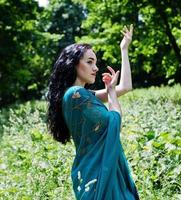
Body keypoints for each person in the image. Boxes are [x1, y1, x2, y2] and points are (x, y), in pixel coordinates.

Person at [47, 24, 139, 200]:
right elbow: (115, 122)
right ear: (73, 64)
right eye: (89, 62)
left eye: (95, 63)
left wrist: (124, 49)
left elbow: (126, 86)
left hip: (97, 170)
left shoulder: (83, 95)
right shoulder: (76, 95)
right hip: (97, 173)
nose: (96, 68)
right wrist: (111, 93)